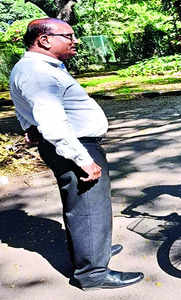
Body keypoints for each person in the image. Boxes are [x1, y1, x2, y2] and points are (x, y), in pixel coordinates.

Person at [9, 18, 144, 290]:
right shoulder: (36, 71)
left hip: (74, 143)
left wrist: (31, 129)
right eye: (68, 36)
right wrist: (83, 159)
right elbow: (52, 120)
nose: (75, 40)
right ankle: (93, 273)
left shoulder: (40, 67)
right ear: (44, 40)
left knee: (85, 205)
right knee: (88, 208)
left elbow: (32, 109)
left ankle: (93, 251)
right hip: (76, 146)